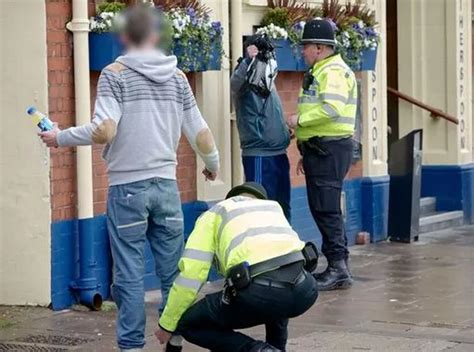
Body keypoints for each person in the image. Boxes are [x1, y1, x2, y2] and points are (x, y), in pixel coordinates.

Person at [39, 6, 219, 351]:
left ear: (124, 36)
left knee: (129, 276)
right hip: (166, 187)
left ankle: (132, 346)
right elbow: (202, 134)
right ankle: (175, 338)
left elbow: (105, 130)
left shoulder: (114, 74)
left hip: (127, 189)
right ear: (155, 36)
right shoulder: (178, 78)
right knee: (173, 272)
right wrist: (212, 165)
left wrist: (60, 137)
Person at [155, 182, 319, 352]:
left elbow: (191, 276)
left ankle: (256, 350)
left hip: (258, 291)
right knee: (280, 284)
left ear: (233, 198)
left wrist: (168, 324)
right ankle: (276, 348)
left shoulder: (217, 212)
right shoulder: (272, 209)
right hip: (305, 290)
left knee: (187, 323)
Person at [287, 19, 358, 291]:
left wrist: (298, 120)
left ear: (319, 47)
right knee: (322, 207)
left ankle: (338, 267)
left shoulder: (333, 71)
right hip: (322, 148)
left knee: (327, 209)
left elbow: (332, 109)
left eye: (305, 46)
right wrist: (307, 144)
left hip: (330, 149)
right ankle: (339, 266)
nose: (302, 51)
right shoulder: (323, 69)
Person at [230, 35, 292, 221]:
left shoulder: (265, 78)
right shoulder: (246, 78)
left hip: (279, 154)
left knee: (281, 208)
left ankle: (283, 247)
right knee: (261, 208)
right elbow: (234, 84)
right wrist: (249, 59)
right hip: (259, 155)